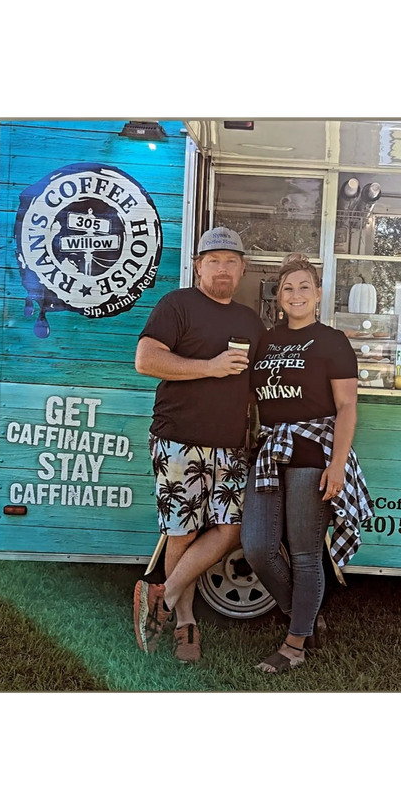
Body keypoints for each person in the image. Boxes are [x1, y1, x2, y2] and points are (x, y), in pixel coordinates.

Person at [132, 227, 265, 663]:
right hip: (178, 440)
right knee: (183, 531)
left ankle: (162, 596)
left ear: (242, 269)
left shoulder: (249, 320)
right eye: (214, 261)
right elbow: (146, 360)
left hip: (229, 446)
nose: (222, 269)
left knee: (230, 529)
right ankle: (186, 624)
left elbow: (256, 384)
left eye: (231, 261)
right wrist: (209, 367)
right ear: (198, 266)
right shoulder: (178, 305)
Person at [241, 254, 373, 674]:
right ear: (277, 297)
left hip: (313, 455)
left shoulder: (332, 340)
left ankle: (295, 645)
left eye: (303, 287)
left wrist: (337, 465)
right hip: (270, 451)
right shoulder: (266, 340)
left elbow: (347, 406)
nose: (295, 294)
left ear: (318, 294)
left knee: (304, 552)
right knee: (258, 547)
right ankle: (306, 615)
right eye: (287, 288)